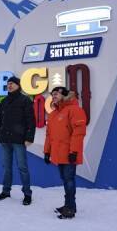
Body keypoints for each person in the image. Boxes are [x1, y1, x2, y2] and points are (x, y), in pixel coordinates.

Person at [44, 87, 87, 219]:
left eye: (56, 93)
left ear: (65, 94)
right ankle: (68, 205)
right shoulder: (53, 114)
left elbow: (78, 133)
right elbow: (49, 135)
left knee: (69, 180)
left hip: (69, 153)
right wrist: (47, 151)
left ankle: (70, 208)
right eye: (52, 94)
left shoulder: (75, 110)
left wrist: (74, 151)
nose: (53, 96)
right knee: (65, 180)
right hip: (58, 154)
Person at [0, 76, 36, 205]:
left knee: (22, 167)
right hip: (5, 139)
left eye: (12, 83)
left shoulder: (25, 100)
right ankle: (6, 191)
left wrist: (29, 137)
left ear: (18, 85)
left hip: (19, 140)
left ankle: (27, 194)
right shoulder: (4, 101)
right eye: (8, 84)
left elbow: (31, 120)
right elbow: (0, 121)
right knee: (6, 167)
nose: (9, 85)